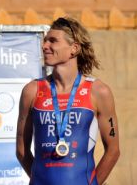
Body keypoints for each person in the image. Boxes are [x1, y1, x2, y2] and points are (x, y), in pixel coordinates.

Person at [16, 17, 120, 185]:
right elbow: (22, 151)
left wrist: (92, 183)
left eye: (53, 41)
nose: (44, 46)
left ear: (74, 48)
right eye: (44, 41)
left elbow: (113, 151)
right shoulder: (32, 90)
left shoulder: (99, 91)